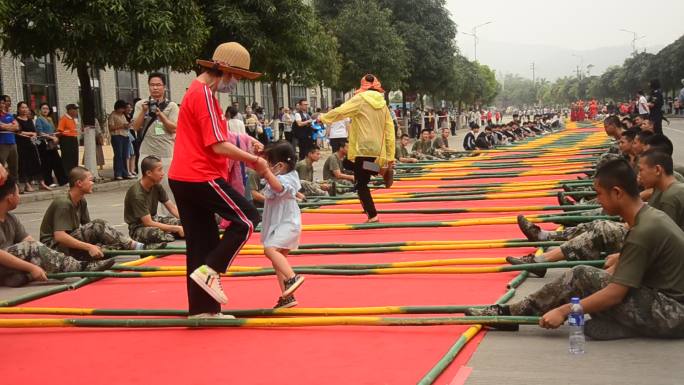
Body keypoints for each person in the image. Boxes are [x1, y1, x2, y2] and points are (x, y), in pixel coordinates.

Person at [467, 159, 684, 340]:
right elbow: (618, 276)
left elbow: (615, 294)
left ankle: (511, 314)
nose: (598, 200)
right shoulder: (648, 219)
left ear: (617, 193)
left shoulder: (643, 230)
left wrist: (563, 310)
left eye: (599, 194)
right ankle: (622, 325)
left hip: (674, 315)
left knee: (583, 275)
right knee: (590, 279)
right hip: (666, 305)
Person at [168, 42, 266, 319]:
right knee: (247, 218)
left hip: (184, 176)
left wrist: (247, 145)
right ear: (223, 71)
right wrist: (253, 160)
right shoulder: (204, 96)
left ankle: (203, 310)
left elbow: (213, 138)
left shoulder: (196, 92)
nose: (236, 83)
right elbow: (217, 145)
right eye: (236, 77)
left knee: (202, 241)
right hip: (199, 175)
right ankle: (212, 270)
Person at [0, 176, 115, 287]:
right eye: (17, 193)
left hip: (8, 265)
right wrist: (32, 267)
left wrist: (45, 259)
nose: (19, 196)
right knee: (30, 249)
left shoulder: (11, 218)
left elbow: (29, 240)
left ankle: (17, 276)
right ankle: (83, 267)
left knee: (33, 253)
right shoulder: (63, 203)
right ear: (10, 198)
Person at [320, 74, 395, 223]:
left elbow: (341, 110)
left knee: (360, 184)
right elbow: (389, 129)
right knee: (347, 163)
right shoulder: (383, 104)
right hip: (376, 147)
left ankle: (373, 215)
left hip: (363, 146)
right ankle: (379, 170)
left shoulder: (361, 99)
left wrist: (323, 118)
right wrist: (390, 154)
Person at [39, 167, 153, 260]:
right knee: (99, 224)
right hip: (53, 248)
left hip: (70, 241)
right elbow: (60, 236)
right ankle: (135, 245)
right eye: (90, 180)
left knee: (108, 248)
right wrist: (89, 247)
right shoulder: (63, 203)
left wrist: (98, 245)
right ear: (79, 183)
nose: (93, 183)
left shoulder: (81, 200)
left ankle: (134, 246)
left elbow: (88, 227)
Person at [259, 141, 305, 308]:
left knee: (270, 250)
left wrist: (266, 173)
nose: (267, 166)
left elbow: (279, 188)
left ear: (280, 165)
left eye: (269, 163)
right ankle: (288, 297)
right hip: (280, 222)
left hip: (287, 222)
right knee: (279, 258)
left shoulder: (286, 178)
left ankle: (293, 277)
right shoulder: (279, 175)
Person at [131, 72, 180, 212]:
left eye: (158, 85)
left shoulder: (172, 106)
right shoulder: (141, 104)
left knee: (167, 189)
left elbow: (174, 127)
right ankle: (148, 218)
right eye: (152, 85)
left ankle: (171, 219)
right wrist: (144, 111)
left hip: (165, 154)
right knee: (144, 188)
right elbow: (135, 126)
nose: (155, 88)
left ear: (164, 87)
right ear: (148, 87)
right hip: (146, 153)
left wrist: (161, 115)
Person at [124, 156, 184, 244]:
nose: (163, 173)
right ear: (148, 173)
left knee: (185, 224)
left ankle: (173, 233)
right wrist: (176, 228)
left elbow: (172, 208)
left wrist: (186, 222)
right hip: (139, 228)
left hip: (155, 220)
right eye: (159, 170)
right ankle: (172, 233)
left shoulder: (157, 186)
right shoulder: (137, 194)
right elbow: (148, 223)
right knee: (156, 234)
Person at [15, 101, 49, 192]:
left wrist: (37, 142)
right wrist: (31, 133)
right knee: (24, 165)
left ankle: (41, 183)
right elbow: (18, 132)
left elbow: (34, 132)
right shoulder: (16, 120)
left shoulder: (29, 119)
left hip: (31, 145)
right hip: (22, 145)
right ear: (18, 109)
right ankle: (27, 184)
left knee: (35, 163)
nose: (25, 109)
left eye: (26, 107)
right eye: (22, 107)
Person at [34, 102, 67, 187]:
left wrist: (56, 136)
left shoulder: (50, 119)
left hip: (52, 144)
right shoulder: (39, 119)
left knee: (57, 162)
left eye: (47, 109)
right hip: (43, 143)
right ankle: (48, 182)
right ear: (40, 110)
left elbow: (53, 131)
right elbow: (40, 133)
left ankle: (63, 181)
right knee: (46, 163)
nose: (45, 110)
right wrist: (52, 138)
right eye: (43, 108)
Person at [108, 100, 133, 180]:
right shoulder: (113, 115)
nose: (123, 110)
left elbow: (126, 124)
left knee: (125, 155)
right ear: (118, 108)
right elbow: (111, 128)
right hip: (117, 136)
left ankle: (125, 172)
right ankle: (118, 173)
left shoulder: (123, 115)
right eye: (122, 108)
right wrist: (122, 126)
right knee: (118, 155)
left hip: (125, 136)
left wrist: (128, 125)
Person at [56, 103, 80, 176]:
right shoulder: (64, 119)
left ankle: (74, 175)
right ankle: (67, 176)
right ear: (70, 110)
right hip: (66, 140)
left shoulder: (73, 119)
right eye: (75, 110)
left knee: (74, 158)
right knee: (67, 159)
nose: (76, 112)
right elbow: (59, 131)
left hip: (73, 139)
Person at [0, 95, 19, 179]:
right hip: (2, 144)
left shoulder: (8, 115)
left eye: (3, 103)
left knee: (14, 167)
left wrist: (6, 126)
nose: (1, 105)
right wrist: (11, 126)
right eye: (0, 103)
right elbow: (1, 126)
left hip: (12, 143)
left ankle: (15, 186)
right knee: (1, 166)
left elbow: (17, 127)